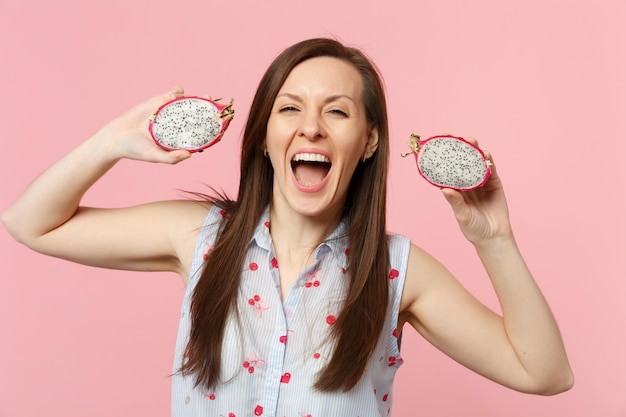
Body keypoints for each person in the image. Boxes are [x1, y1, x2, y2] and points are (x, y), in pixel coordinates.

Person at [2, 38, 573, 416]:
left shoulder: (397, 271)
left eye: (339, 111)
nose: (313, 128)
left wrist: (493, 239)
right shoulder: (201, 237)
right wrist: (114, 143)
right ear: (266, 135)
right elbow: (30, 224)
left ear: (369, 141)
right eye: (290, 108)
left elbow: (544, 373)